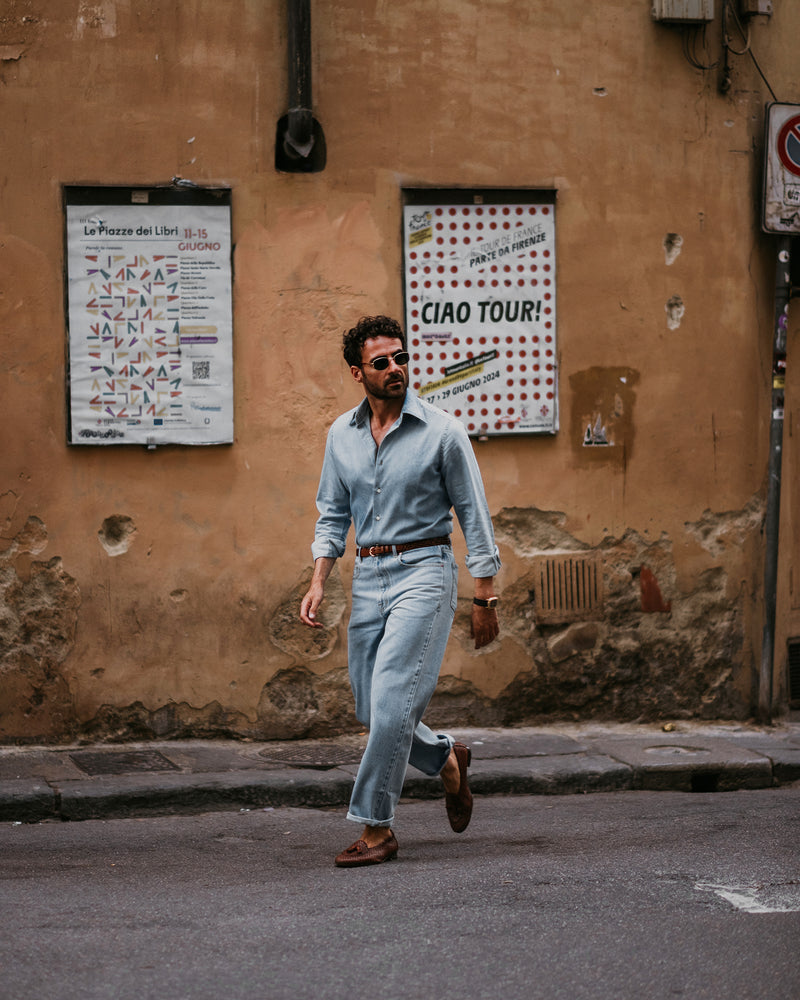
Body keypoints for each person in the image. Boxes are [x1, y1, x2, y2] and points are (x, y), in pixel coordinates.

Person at [300, 315, 500, 867]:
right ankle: (447, 760)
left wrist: (484, 597)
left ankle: (376, 827)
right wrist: (319, 579)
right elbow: (332, 514)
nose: (396, 369)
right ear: (356, 373)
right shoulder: (341, 435)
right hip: (369, 575)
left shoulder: (443, 432)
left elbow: (474, 515)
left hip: (425, 571)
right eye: (381, 362)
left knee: (391, 702)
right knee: (374, 707)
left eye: (402, 358)